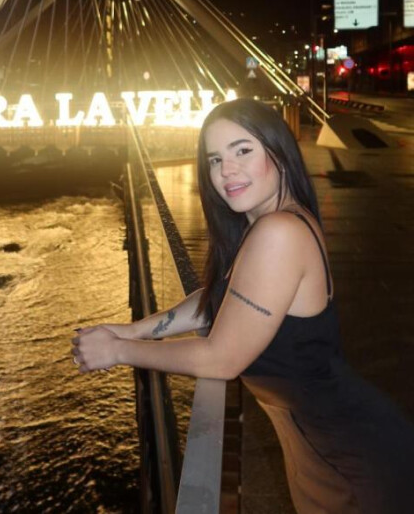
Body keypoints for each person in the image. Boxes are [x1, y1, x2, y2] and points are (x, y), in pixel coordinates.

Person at [72, 98, 414, 513]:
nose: (226, 170)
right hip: (324, 443)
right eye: (215, 159)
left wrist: (119, 351)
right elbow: (219, 298)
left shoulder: (279, 233)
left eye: (243, 150)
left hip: (351, 458)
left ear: (279, 152)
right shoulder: (274, 223)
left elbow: (221, 359)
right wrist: (134, 329)